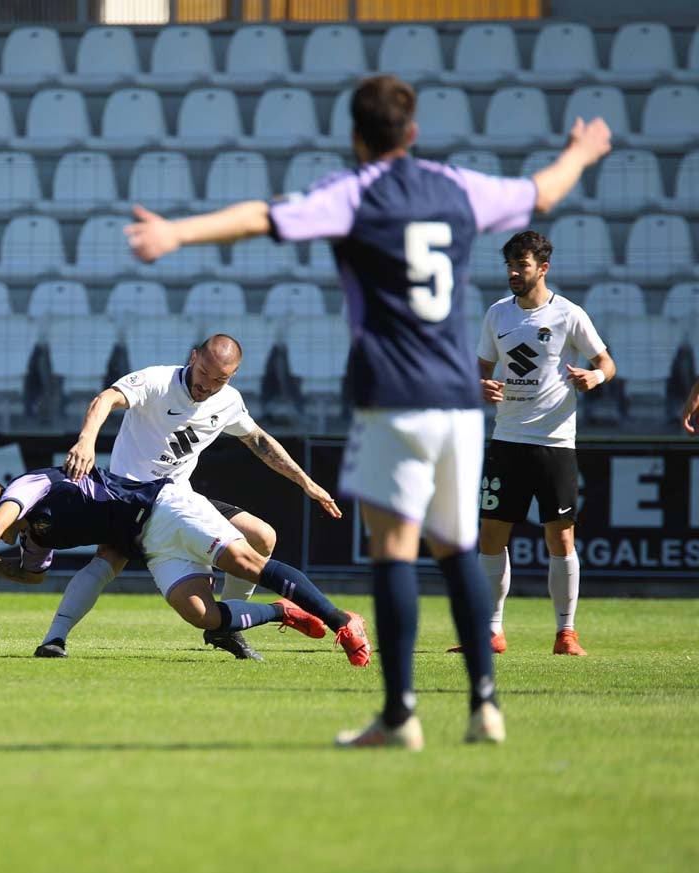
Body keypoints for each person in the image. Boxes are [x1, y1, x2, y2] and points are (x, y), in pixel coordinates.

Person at [123, 74, 611, 749]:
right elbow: (545, 191)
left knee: (394, 555)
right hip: (459, 405)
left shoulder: (354, 193)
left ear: (355, 137)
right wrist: (584, 150)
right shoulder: (454, 185)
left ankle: (400, 715)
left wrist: (177, 232)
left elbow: (263, 216)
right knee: (458, 551)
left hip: (392, 400)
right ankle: (485, 704)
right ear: (413, 133)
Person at [36, 333, 345, 662]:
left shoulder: (228, 401)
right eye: (204, 373)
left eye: (220, 379)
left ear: (233, 375)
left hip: (180, 500)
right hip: (126, 496)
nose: (208, 385)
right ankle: (55, 639)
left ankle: (225, 627)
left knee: (262, 537)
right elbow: (105, 399)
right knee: (107, 562)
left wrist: (305, 482)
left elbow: (259, 441)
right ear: (193, 357)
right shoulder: (157, 380)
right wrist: (86, 441)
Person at [0, 467, 370, 670]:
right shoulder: (34, 535)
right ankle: (284, 611)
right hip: (144, 539)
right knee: (202, 616)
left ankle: (340, 621)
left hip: (162, 507)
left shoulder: (28, 486)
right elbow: (32, 574)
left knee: (248, 560)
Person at [457, 230, 615, 659]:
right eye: (509, 263)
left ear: (542, 268)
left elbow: (605, 362)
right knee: (491, 536)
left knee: (560, 540)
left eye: (521, 264)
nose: (513, 272)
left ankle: (566, 634)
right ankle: (490, 632)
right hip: (506, 439)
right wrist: (480, 387)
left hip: (555, 443)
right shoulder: (497, 315)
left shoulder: (568, 314)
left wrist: (594, 377)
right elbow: (481, 369)